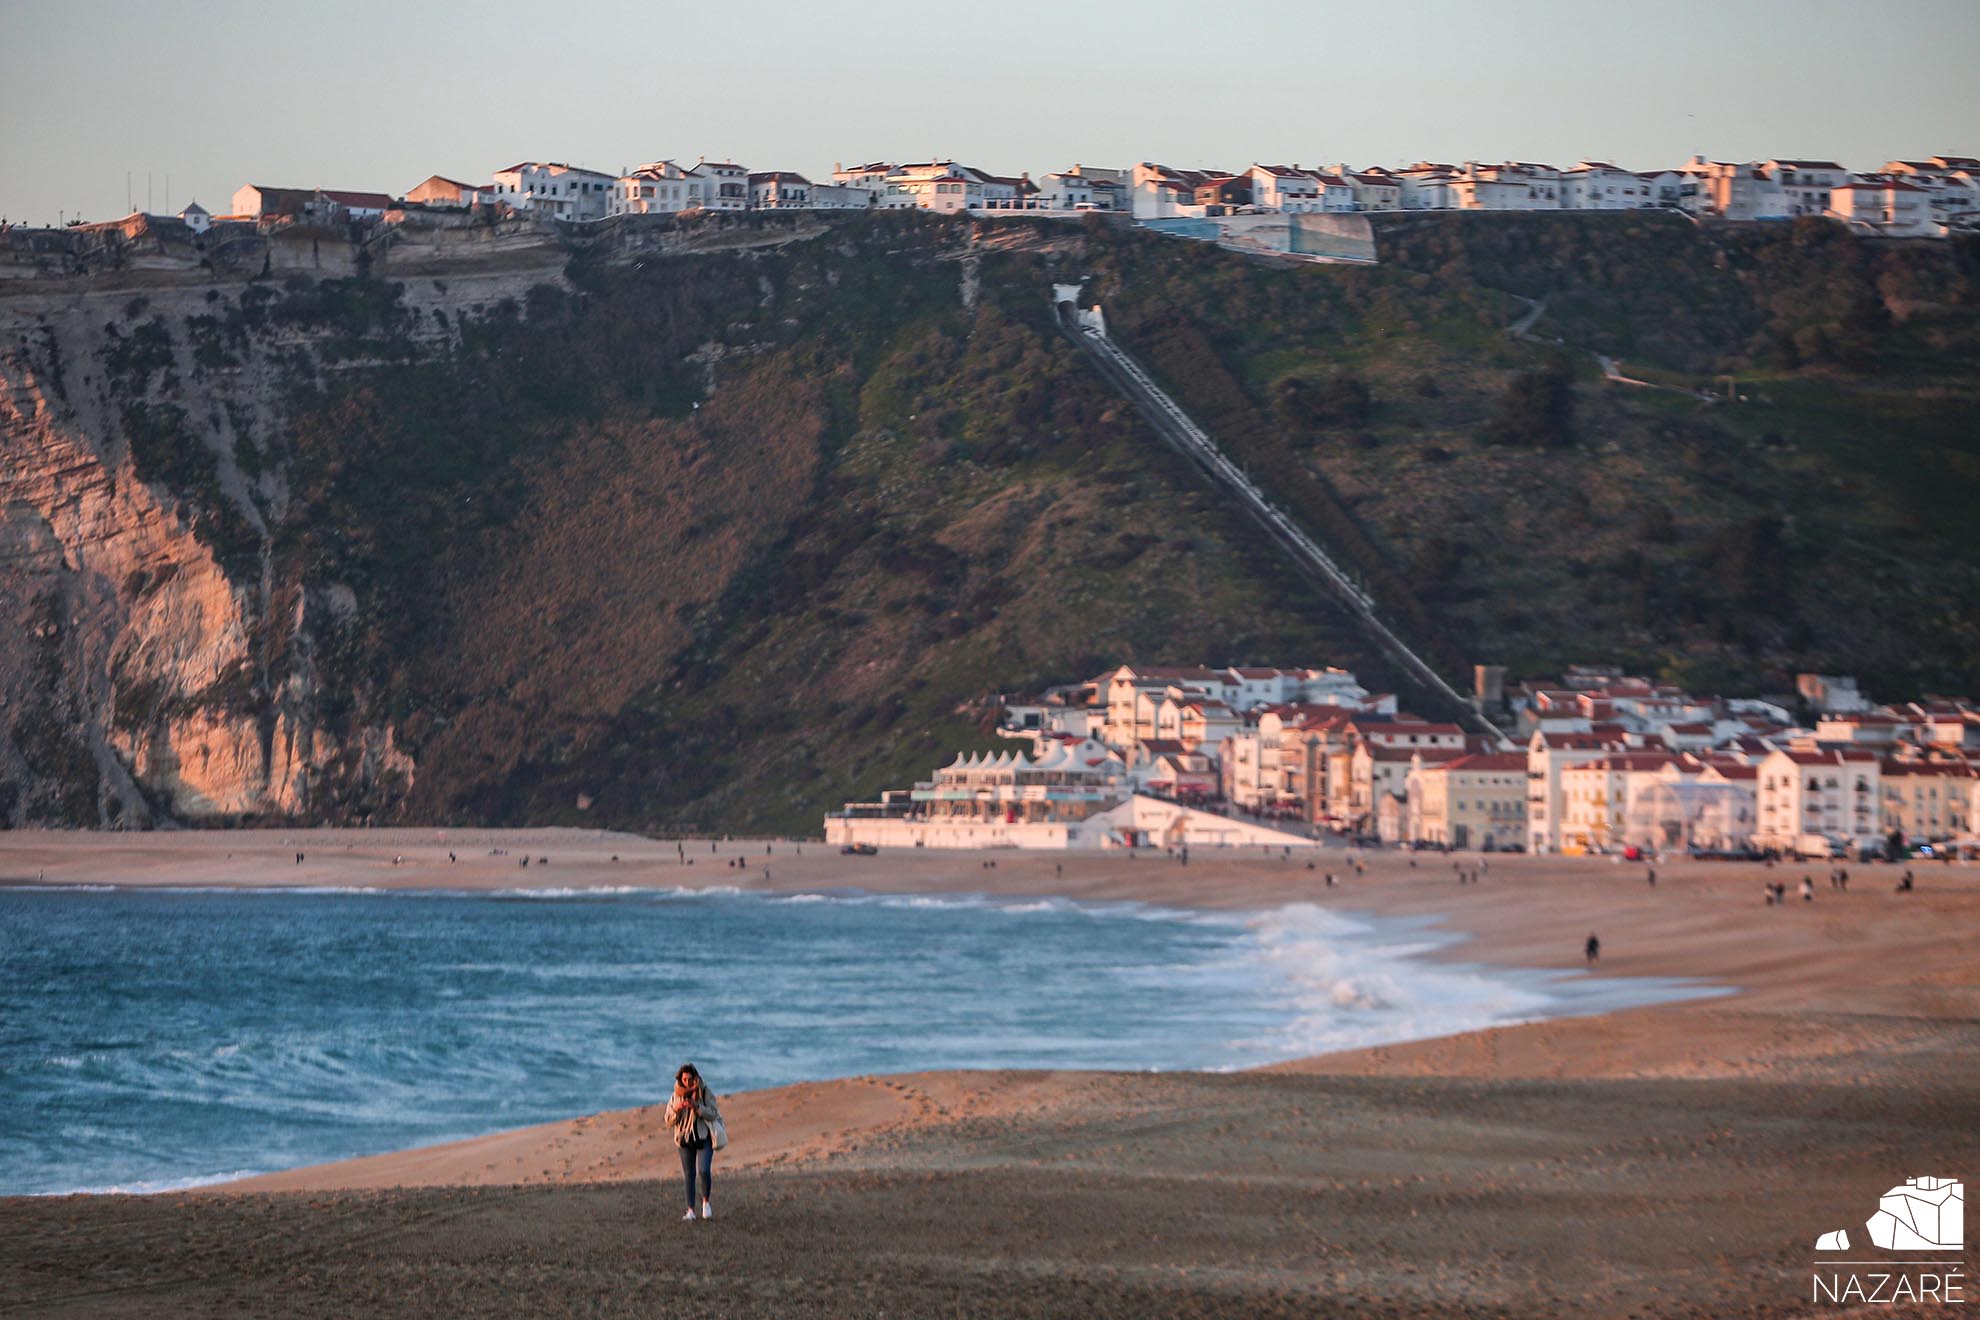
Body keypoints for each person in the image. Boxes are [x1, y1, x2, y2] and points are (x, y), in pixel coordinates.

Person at [666, 1063, 722, 1222]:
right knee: (689, 1175)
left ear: (696, 1078)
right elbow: (668, 1120)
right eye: (684, 1079)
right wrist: (677, 1109)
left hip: (704, 1138)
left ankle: (706, 1202)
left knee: (704, 1170)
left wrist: (698, 1107)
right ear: (680, 1079)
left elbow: (713, 1113)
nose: (688, 1083)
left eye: (691, 1079)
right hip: (684, 1139)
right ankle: (690, 1210)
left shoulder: (704, 1092)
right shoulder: (676, 1095)